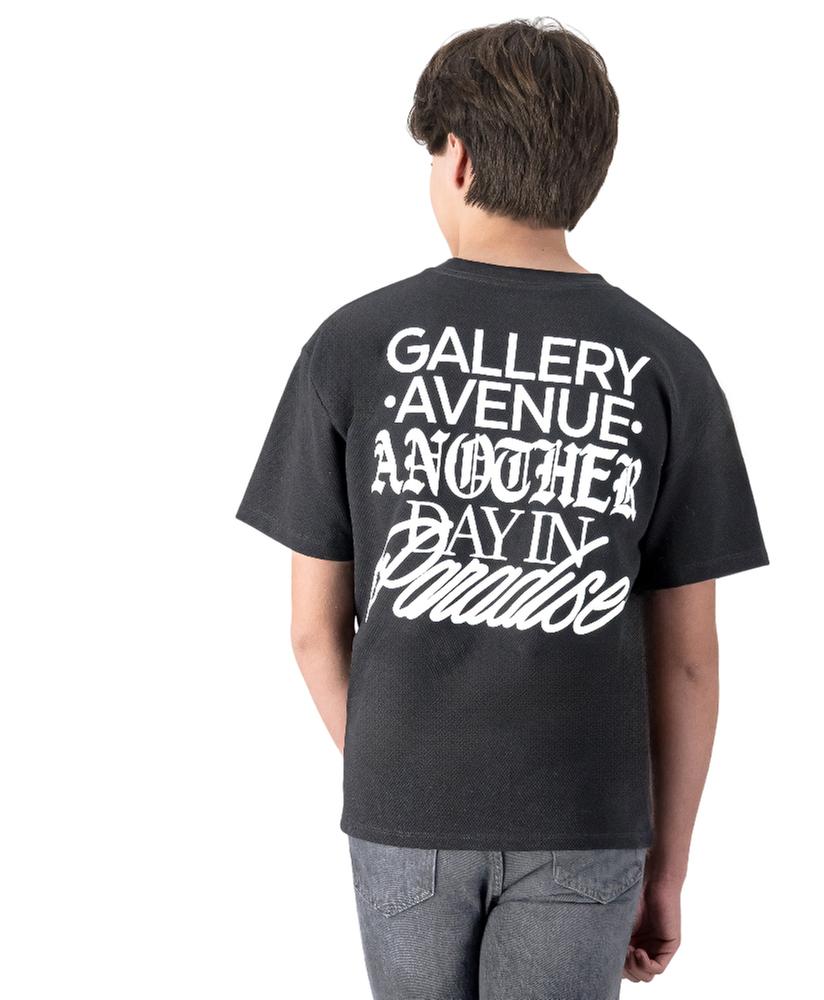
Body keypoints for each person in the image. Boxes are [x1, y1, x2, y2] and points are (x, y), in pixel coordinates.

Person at [236, 17, 768, 1000]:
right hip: (586, 816)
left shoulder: (351, 346)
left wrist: (400, 779)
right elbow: (689, 660)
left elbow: (313, 632)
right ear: (588, 168)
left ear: (460, 159)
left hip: (405, 808)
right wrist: (668, 870)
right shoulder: (666, 365)